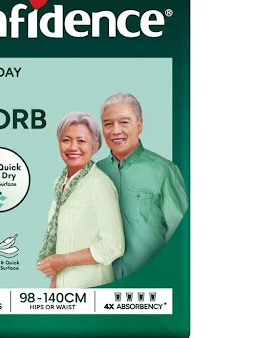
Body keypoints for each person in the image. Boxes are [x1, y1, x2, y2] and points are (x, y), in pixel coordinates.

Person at [97, 93, 188, 279]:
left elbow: (182, 236)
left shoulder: (164, 171)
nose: (115, 130)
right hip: (103, 282)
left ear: (140, 125)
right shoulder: (95, 172)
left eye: (124, 122)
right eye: (108, 124)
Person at [37, 112, 125, 288]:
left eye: (81, 141)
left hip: (92, 284)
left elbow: (114, 246)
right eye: (66, 140)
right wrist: (55, 281)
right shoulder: (60, 183)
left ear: (95, 146)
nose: (73, 147)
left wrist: (64, 261)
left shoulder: (100, 185)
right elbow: (61, 237)